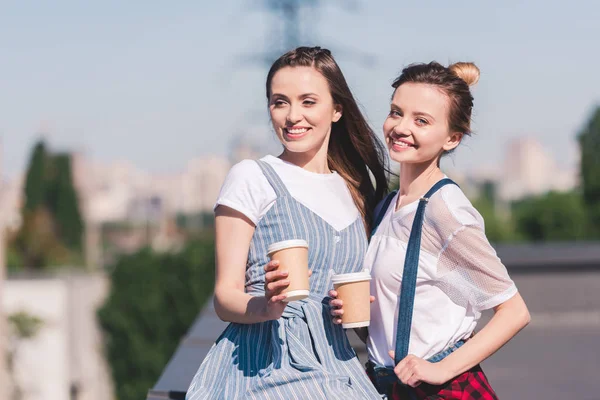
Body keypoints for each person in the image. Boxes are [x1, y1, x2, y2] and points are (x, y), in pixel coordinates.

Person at [186, 46, 388, 400]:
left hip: (338, 364)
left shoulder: (354, 190)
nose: (293, 116)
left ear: (337, 109)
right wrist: (267, 305)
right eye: (280, 102)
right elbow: (224, 297)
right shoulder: (252, 176)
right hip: (266, 365)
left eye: (308, 102)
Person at [330, 61, 531, 399]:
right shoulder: (387, 207)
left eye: (420, 120)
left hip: (439, 390)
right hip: (386, 386)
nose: (400, 127)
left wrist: (441, 369)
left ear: (452, 138)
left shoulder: (445, 211)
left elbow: (514, 311)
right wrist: (357, 315)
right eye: (396, 112)